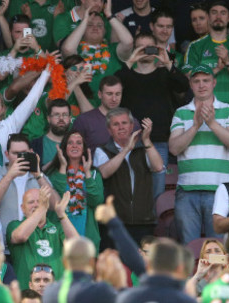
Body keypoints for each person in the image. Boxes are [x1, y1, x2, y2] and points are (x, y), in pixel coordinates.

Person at [169, 64, 229, 244]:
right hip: (187, 190)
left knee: (218, 249)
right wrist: (195, 126)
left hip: (219, 191)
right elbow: (174, 148)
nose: (202, 85)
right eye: (196, 81)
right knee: (189, 249)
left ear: (214, 83)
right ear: (191, 85)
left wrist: (212, 123)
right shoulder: (181, 113)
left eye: (206, 80)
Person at [115, 32, 190, 199]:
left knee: (158, 193)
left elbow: (184, 86)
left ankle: (157, 225)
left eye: (149, 47)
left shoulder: (165, 73)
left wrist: (168, 63)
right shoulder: (127, 75)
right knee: (131, 190)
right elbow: (113, 85)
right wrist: (131, 60)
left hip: (159, 140)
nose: (145, 51)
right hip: (131, 141)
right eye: (140, 47)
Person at [94, 108, 163, 244]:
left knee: (142, 264)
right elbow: (104, 173)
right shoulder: (102, 150)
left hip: (143, 222)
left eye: (124, 123)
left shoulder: (145, 148)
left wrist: (147, 140)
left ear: (131, 126)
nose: (121, 127)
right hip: (113, 222)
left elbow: (158, 167)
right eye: (116, 124)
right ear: (109, 130)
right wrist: (126, 150)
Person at [182, 0, 229, 118]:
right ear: (208, 17)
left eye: (223, 13)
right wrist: (216, 69)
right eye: (214, 12)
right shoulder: (195, 46)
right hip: (203, 115)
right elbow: (189, 80)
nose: (218, 16)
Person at [0, 133, 59, 237]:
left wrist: (38, 175)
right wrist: (9, 177)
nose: (20, 157)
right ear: (7, 154)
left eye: (23, 153)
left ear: (31, 152)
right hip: (3, 244)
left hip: (34, 241)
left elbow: (56, 206)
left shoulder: (40, 177)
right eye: (15, 153)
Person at [61, 1, 134, 107]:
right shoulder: (77, 51)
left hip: (113, 108)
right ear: (83, 29)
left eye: (100, 25)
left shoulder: (113, 50)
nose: (95, 28)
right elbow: (67, 49)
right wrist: (85, 20)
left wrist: (109, 15)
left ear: (105, 31)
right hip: (81, 108)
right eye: (90, 25)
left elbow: (128, 42)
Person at [45, 130, 105, 250]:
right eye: (70, 143)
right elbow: (56, 201)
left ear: (84, 148)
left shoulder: (93, 174)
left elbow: (97, 202)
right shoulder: (52, 174)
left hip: (86, 238)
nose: (74, 146)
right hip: (59, 238)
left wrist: (87, 173)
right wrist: (62, 167)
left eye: (79, 143)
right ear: (64, 148)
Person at [8, 187, 77, 289]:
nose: (36, 205)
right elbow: (20, 236)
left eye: (40, 201)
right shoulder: (15, 225)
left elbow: (78, 247)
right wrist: (41, 208)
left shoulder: (57, 227)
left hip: (54, 295)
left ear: (47, 205)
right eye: (31, 202)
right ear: (22, 208)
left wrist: (62, 214)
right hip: (27, 296)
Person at [72, 76, 139, 153]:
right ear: (100, 94)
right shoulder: (84, 120)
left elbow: (138, 155)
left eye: (117, 94)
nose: (114, 99)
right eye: (109, 94)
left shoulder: (132, 122)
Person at [31, 99, 71, 168]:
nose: (61, 118)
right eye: (56, 115)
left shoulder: (77, 144)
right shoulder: (35, 145)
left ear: (70, 118)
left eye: (65, 115)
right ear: (48, 119)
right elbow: (31, 175)